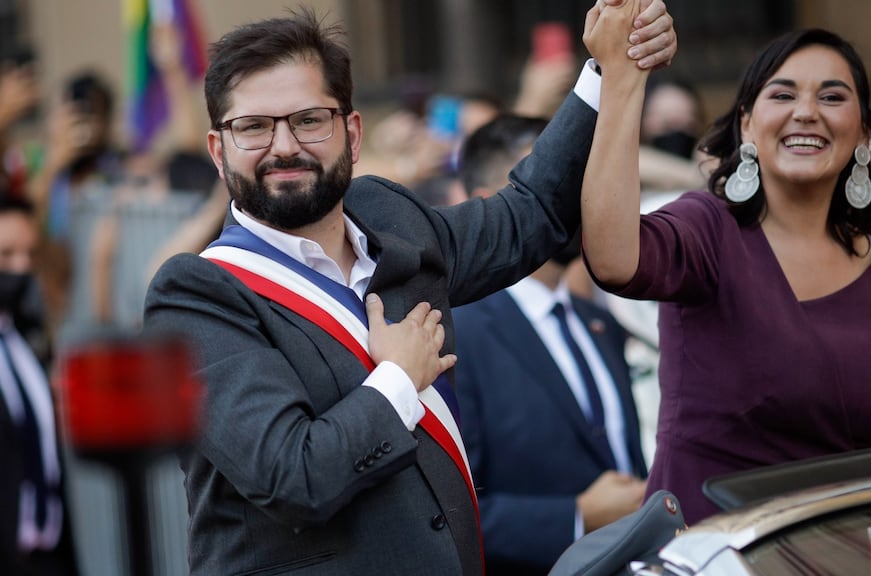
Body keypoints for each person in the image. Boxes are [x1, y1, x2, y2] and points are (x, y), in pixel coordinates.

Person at [142, 5, 676, 575]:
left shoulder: (389, 216)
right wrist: (399, 378)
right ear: (218, 150)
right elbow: (292, 477)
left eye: (308, 119)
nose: (283, 146)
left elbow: (529, 213)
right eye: (252, 126)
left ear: (350, 132)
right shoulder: (197, 294)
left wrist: (605, 68)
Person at [581, 4, 871, 525]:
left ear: (865, 134)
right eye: (782, 95)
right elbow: (613, 258)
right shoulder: (708, 229)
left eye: (832, 96)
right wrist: (623, 77)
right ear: (746, 125)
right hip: (717, 553)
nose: (806, 112)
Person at [452, 114, 647, 575]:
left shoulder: (599, 323)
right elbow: (447, 513)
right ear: (489, 205)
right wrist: (577, 516)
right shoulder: (455, 336)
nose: (579, 192)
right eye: (554, 176)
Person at [0, 196, 79, 575]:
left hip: (51, 556)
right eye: (6, 255)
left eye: (28, 255)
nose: (20, 268)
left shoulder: (27, 337)